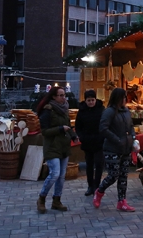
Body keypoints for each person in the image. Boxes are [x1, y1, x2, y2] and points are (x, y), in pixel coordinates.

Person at [93, 87, 137, 212]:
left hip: (126, 149)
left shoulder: (126, 111)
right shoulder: (109, 112)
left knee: (123, 176)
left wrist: (133, 138)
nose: (125, 99)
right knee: (113, 175)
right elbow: (103, 128)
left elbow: (131, 126)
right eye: (124, 97)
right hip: (112, 149)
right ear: (118, 98)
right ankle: (99, 191)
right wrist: (117, 140)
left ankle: (122, 201)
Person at [36, 85, 78, 213]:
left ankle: (57, 200)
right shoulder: (48, 110)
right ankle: (42, 198)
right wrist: (60, 129)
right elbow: (45, 131)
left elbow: (68, 125)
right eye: (60, 95)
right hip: (52, 146)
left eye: (64, 95)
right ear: (54, 97)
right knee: (54, 173)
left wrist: (73, 135)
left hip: (63, 145)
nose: (63, 98)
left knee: (61, 176)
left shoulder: (64, 109)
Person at [74, 89, 105, 196]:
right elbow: (78, 126)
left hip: (99, 141)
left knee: (99, 164)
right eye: (89, 100)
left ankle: (97, 185)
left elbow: (105, 124)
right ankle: (90, 186)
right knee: (89, 165)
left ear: (95, 100)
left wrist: (102, 136)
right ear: (85, 101)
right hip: (87, 141)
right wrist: (82, 137)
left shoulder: (101, 109)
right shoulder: (82, 111)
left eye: (92, 100)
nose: (91, 102)